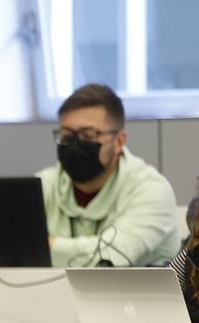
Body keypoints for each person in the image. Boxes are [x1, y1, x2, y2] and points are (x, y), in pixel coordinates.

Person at [39, 83, 185, 267]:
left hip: (135, 295)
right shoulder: (44, 184)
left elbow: (108, 259)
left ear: (119, 141)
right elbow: (3, 251)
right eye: (67, 136)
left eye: (88, 135)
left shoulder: (152, 191)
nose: (76, 145)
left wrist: (45, 246)